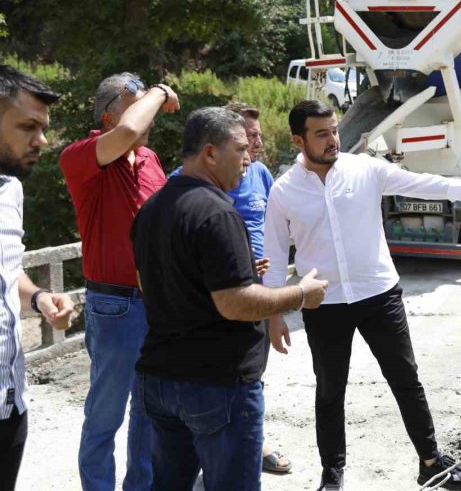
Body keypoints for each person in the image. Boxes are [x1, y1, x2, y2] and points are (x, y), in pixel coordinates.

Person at [263, 100, 461, 491]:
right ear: (298, 140)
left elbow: (422, 182)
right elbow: (276, 253)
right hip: (324, 304)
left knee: (405, 379)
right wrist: (274, 312)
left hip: (378, 294)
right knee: (330, 391)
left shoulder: (364, 169)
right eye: (322, 133)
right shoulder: (284, 191)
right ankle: (332, 474)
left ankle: (431, 462)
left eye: (334, 130)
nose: (333, 139)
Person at [131, 107, 327, 491]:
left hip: (160, 380)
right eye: (240, 149)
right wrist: (301, 294)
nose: (249, 159)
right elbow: (234, 303)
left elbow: (147, 282)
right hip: (216, 384)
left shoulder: (151, 209)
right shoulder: (218, 213)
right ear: (209, 153)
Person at [59, 73, 180, 491]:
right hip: (114, 305)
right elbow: (130, 129)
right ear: (109, 114)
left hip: (158, 303)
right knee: (105, 414)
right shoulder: (79, 156)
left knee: (149, 412)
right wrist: (160, 92)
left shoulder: (150, 160)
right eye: (137, 104)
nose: (149, 119)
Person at [170, 101, 292, 474]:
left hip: (258, 290)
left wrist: (275, 307)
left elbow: (277, 227)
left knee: (251, 374)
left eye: (255, 137)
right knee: (215, 377)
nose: (255, 145)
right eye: (245, 140)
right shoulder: (185, 181)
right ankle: (210, 455)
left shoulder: (259, 174)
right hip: (211, 293)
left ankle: (254, 442)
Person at [0, 65, 75, 489]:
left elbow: (8, 268)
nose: (42, 140)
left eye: (43, 127)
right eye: (27, 126)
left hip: (11, 404)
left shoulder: (11, 189)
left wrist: (39, 298)